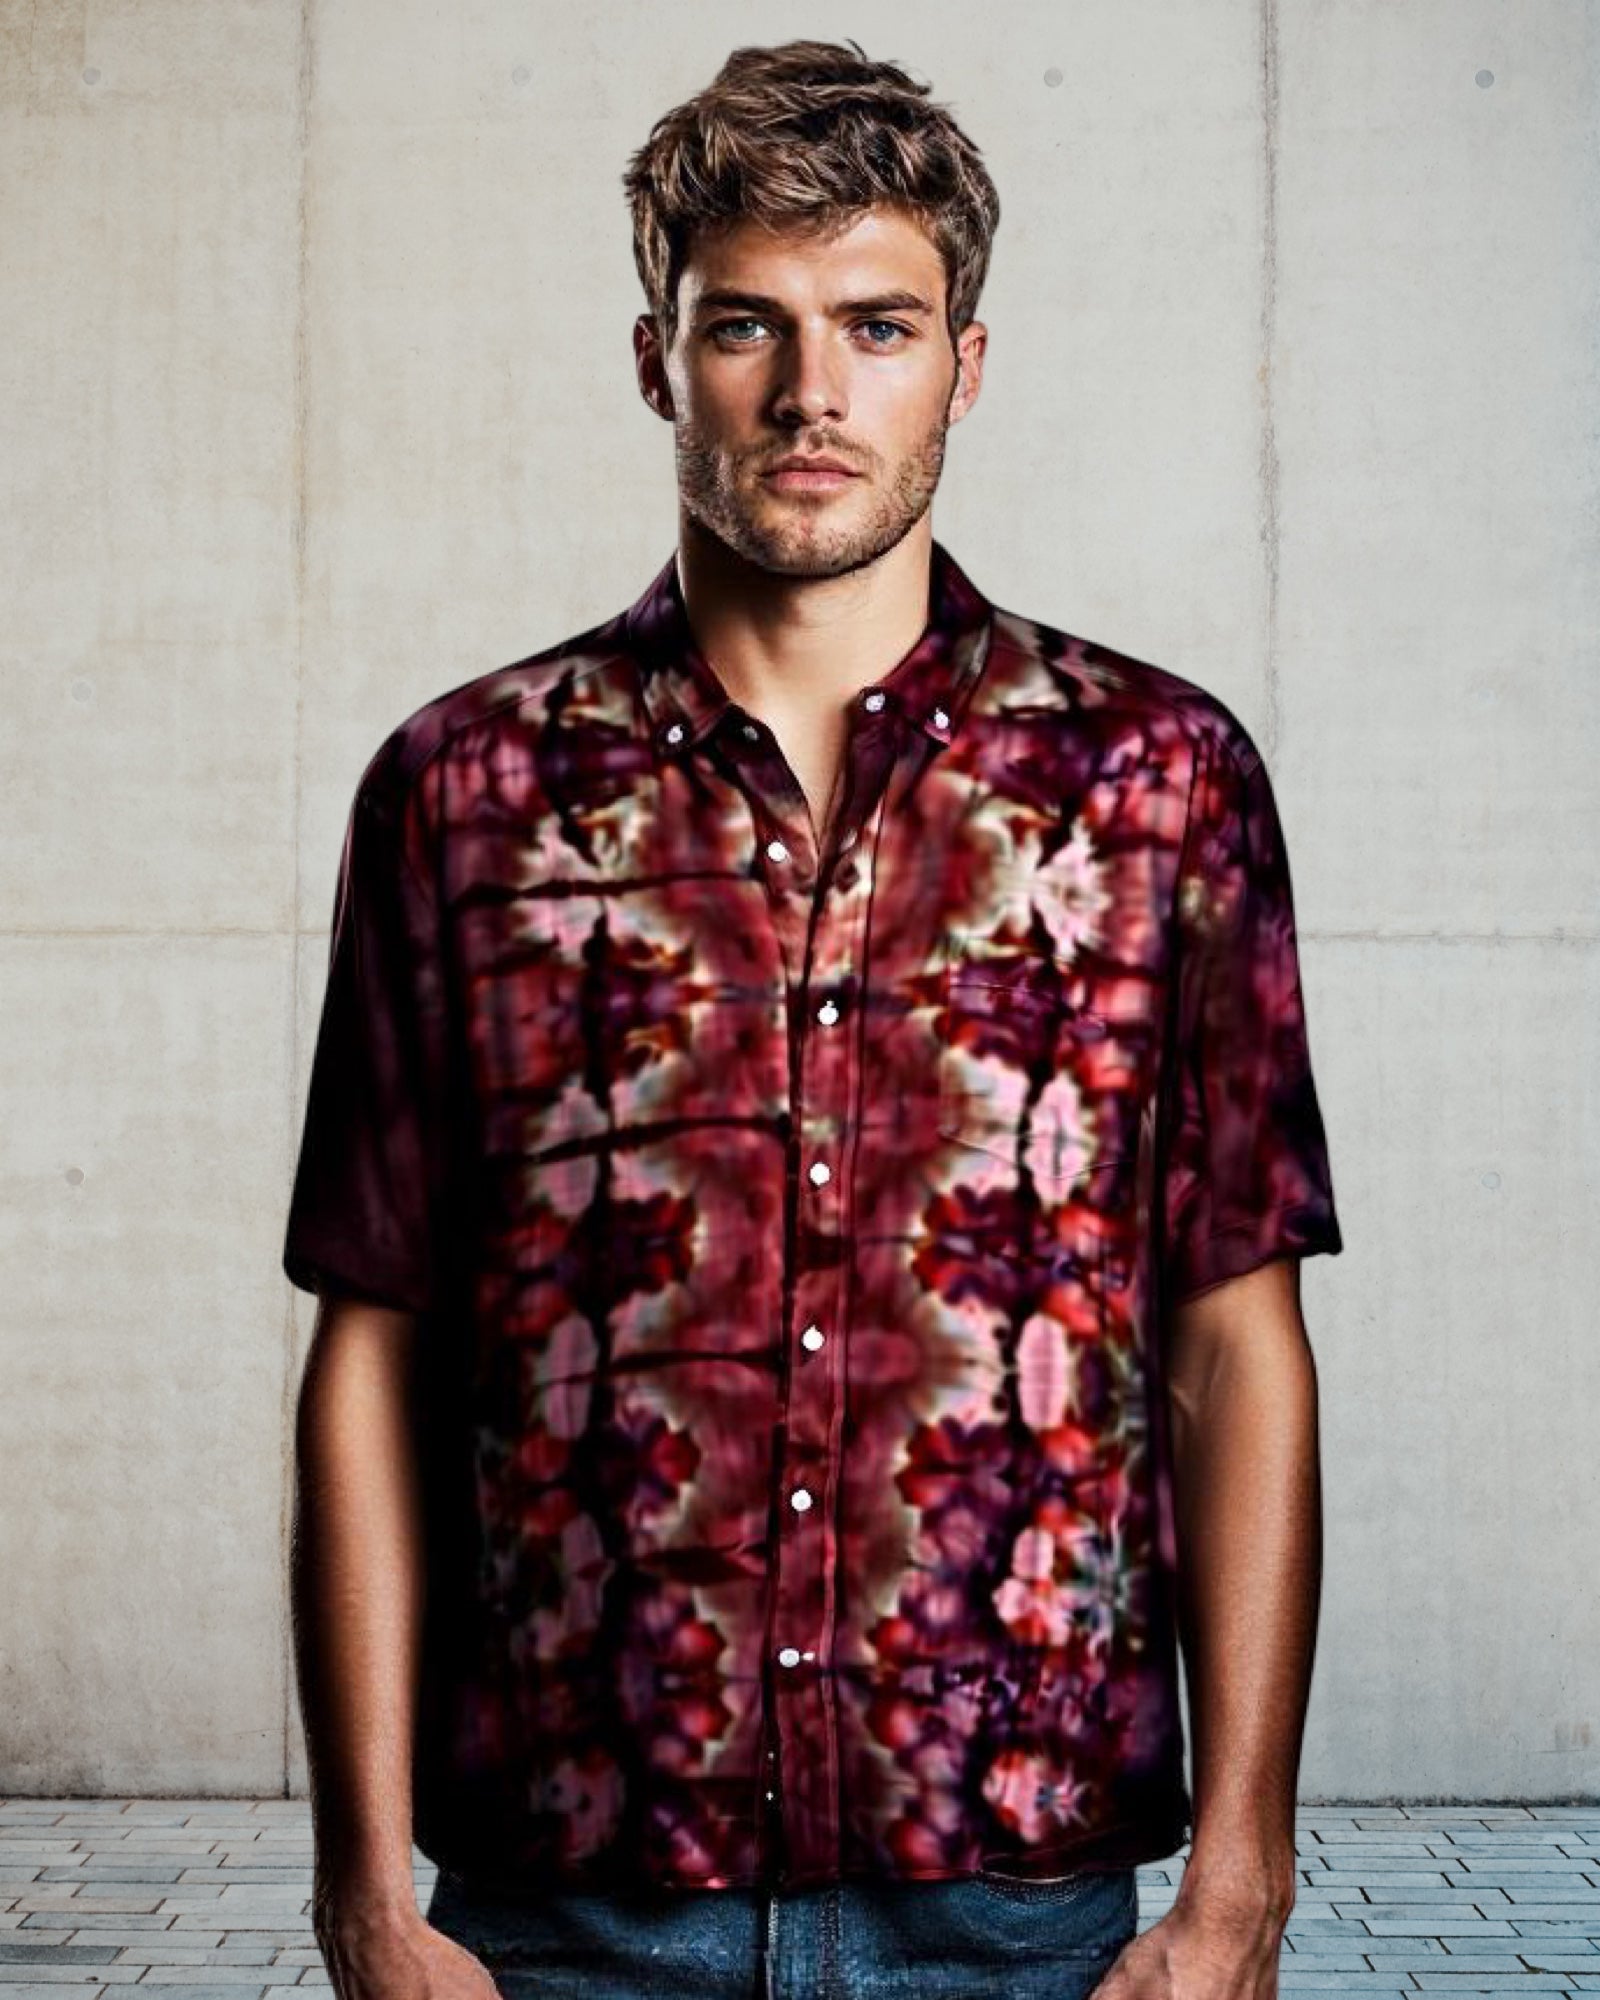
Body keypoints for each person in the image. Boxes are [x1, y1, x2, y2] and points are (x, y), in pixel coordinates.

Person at [283, 36, 1344, 2000]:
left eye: (874, 323)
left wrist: (1235, 1889)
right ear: (651, 358)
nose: (807, 390)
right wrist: (363, 1894)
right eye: (741, 328)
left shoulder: (1155, 780)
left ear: (964, 361)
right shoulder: (460, 788)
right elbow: (374, 1352)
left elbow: (1229, 1345)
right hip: (564, 1910)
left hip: (1016, 1912)